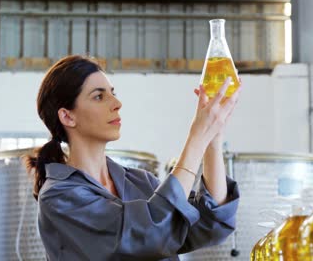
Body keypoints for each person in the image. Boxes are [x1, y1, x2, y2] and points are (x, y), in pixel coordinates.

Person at [24, 55, 242, 261]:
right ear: (67, 116)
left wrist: (213, 137)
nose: (116, 104)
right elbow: (147, 233)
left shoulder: (141, 182)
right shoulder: (59, 196)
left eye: (112, 93)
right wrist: (196, 139)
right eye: (99, 96)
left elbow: (211, 223)